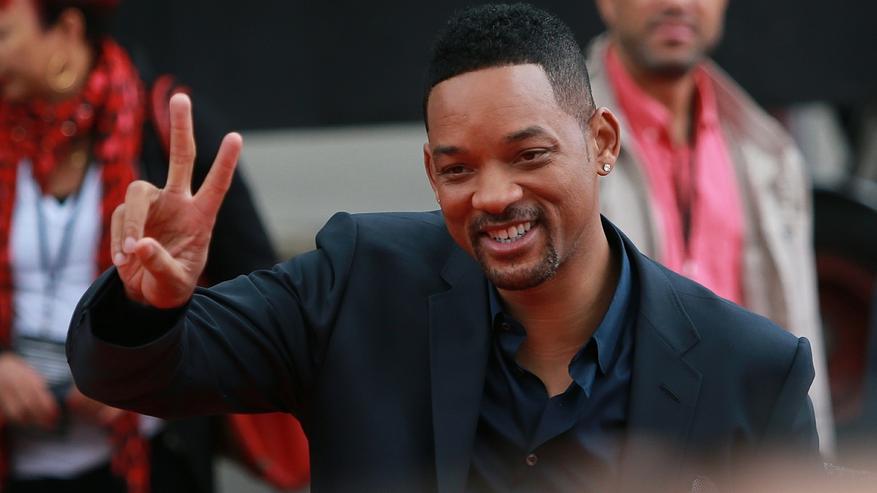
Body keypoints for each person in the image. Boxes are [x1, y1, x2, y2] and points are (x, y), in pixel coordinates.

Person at [67, 4, 818, 492]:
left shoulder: (749, 369)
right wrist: (144, 304)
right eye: (458, 169)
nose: (492, 194)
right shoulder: (357, 285)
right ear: (431, 173)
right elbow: (135, 373)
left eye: (528, 155)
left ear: (601, 142)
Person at [0, 0, 278, 491]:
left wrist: (137, 367)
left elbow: (258, 293)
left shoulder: (164, 125)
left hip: (150, 460)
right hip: (19, 464)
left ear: (67, 28)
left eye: (3, 35)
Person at [588, 0, 834, 452]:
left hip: (744, 451)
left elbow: (799, 329)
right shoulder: (562, 144)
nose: (677, 4)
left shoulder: (770, 155)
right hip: (621, 456)